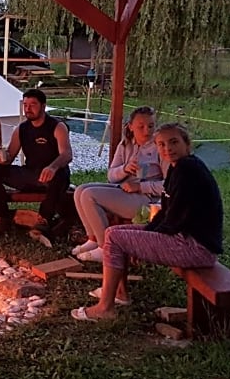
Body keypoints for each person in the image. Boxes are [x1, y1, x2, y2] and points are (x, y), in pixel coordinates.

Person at [71, 123, 223, 321]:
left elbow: (175, 219)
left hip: (195, 247)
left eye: (174, 142)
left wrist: (144, 243)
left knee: (115, 237)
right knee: (115, 233)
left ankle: (105, 308)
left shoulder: (188, 170)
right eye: (161, 144)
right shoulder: (178, 169)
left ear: (187, 144)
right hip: (184, 238)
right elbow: (165, 212)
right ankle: (119, 294)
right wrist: (142, 237)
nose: (167, 148)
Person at [71, 106, 167, 263]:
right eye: (141, 126)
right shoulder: (126, 144)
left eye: (151, 126)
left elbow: (170, 186)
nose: (146, 131)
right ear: (131, 126)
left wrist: (141, 186)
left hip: (148, 200)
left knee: (89, 195)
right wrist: (125, 169)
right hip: (124, 190)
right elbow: (111, 176)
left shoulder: (160, 147)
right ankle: (93, 239)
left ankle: (105, 248)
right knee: (80, 190)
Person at [0, 88, 73, 234]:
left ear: (43, 106)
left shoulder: (57, 126)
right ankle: (2, 216)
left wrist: (53, 167)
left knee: (60, 175)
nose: (28, 109)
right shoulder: (21, 129)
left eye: (32, 105)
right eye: (25, 105)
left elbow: (67, 154)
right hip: (30, 173)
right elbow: (10, 156)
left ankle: (44, 219)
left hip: (53, 175)